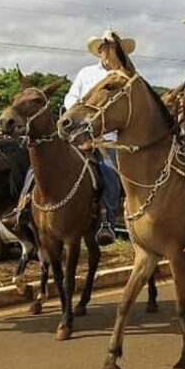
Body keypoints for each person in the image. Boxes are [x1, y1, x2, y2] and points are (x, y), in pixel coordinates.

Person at [64, 29, 136, 244]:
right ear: (100, 51)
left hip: (109, 138)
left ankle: (107, 222)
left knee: (109, 171)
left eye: (112, 48)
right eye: (104, 47)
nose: (107, 51)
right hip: (78, 134)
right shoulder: (86, 73)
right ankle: (24, 207)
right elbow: (71, 98)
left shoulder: (126, 77)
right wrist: (77, 116)